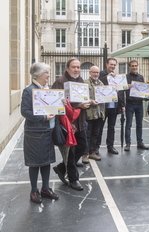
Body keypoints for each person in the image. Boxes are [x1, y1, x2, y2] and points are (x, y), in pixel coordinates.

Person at [21, 62, 59, 204]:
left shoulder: (47, 89)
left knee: (46, 161)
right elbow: (24, 111)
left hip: (48, 130)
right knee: (34, 163)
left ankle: (45, 188)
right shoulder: (29, 90)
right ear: (38, 75)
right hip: (35, 133)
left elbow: (53, 107)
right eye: (46, 73)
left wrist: (59, 103)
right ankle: (33, 191)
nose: (49, 75)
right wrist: (43, 117)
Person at [52, 58, 90, 191]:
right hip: (67, 124)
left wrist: (89, 102)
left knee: (83, 146)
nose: (76, 70)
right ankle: (74, 179)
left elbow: (83, 99)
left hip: (80, 121)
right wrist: (78, 105)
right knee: (72, 152)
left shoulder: (80, 81)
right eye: (74, 67)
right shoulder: (60, 82)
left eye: (78, 67)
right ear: (67, 68)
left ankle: (62, 167)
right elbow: (55, 102)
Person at [119, 60, 149, 151]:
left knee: (139, 124)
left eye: (135, 65)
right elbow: (121, 90)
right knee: (128, 124)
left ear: (137, 66)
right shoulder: (126, 77)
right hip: (129, 104)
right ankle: (128, 143)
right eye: (132, 66)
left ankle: (140, 142)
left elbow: (143, 89)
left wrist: (146, 94)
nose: (134, 67)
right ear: (129, 67)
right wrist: (122, 104)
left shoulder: (140, 77)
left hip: (139, 104)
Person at [97, 57, 123, 155]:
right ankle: (96, 147)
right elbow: (98, 83)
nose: (112, 66)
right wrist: (108, 77)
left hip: (114, 106)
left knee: (111, 127)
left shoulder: (117, 77)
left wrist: (122, 105)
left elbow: (121, 91)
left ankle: (110, 146)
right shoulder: (101, 74)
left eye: (114, 65)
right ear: (107, 64)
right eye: (111, 64)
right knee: (100, 127)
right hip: (103, 106)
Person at [83, 66, 105, 163]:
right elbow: (82, 97)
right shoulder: (85, 83)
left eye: (97, 72)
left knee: (95, 134)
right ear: (90, 73)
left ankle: (92, 152)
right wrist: (91, 101)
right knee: (87, 135)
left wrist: (112, 93)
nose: (96, 74)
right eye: (94, 72)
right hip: (89, 114)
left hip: (99, 113)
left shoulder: (101, 83)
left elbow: (106, 95)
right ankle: (85, 154)